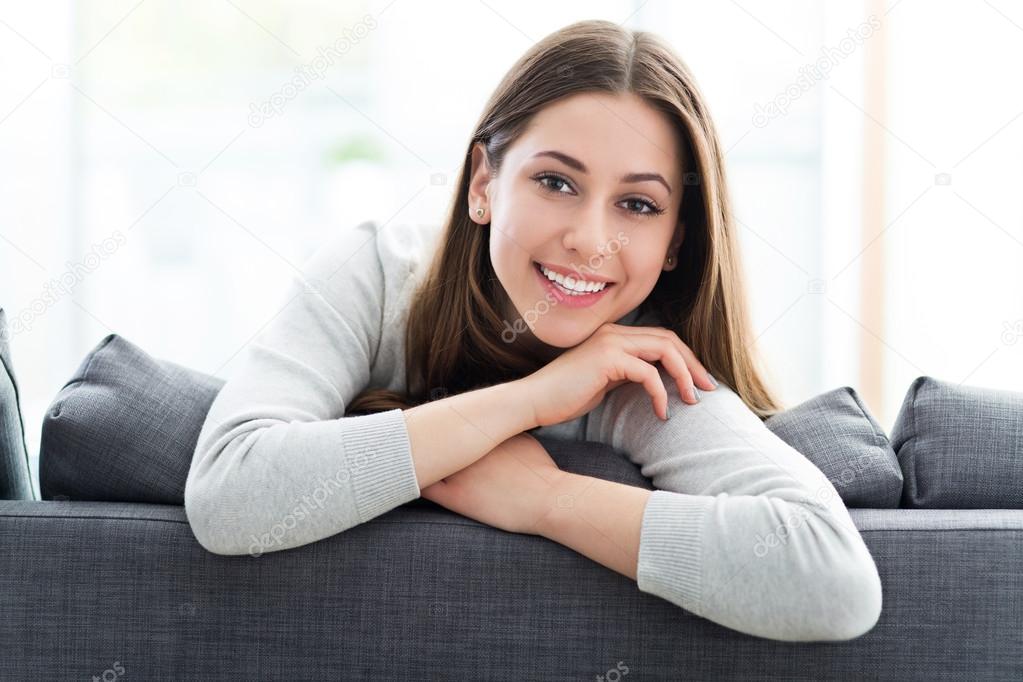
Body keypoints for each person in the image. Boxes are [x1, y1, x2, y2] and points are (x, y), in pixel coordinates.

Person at [184, 19, 882, 642]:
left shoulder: (646, 374)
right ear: (483, 183)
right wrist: (528, 401)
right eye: (556, 183)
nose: (590, 240)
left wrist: (544, 500)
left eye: (637, 204)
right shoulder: (375, 273)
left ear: (675, 242)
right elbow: (228, 497)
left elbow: (833, 581)